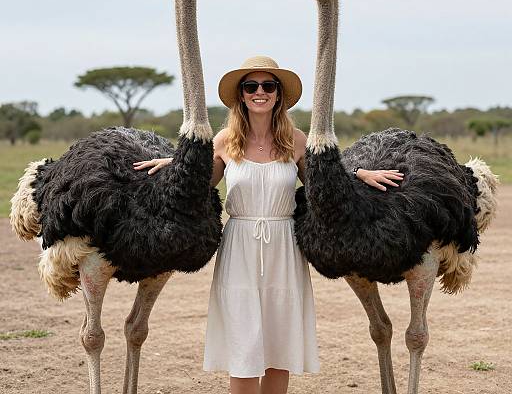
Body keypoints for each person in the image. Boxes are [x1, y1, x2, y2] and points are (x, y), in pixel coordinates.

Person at [134, 56, 404, 394]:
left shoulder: (297, 140)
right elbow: (198, 182)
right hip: (240, 245)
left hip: (284, 246)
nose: (259, 92)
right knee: (243, 348)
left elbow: (325, 181)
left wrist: (360, 172)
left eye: (268, 86)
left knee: (279, 347)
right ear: (242, 96)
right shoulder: (223, 141)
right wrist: (175, 164)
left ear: (278, 95)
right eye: (251, 86)